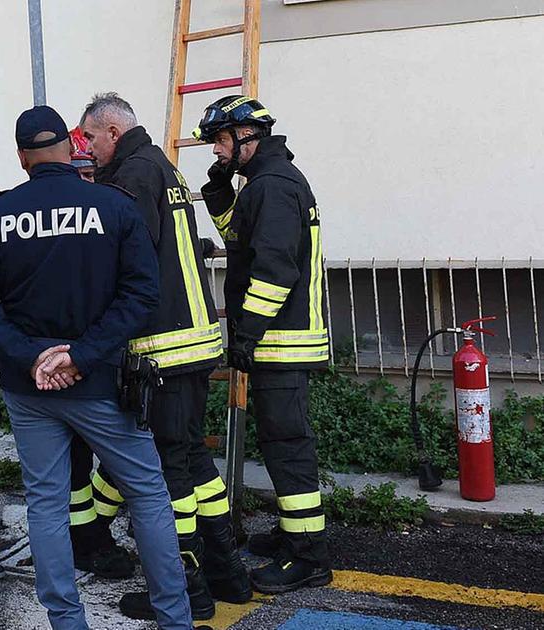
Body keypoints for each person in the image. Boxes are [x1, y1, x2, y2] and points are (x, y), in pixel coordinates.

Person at [0, 104, 193, 630]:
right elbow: (141, 294)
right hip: (100, 383)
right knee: (149, 493)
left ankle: (67, 622)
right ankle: (174, 620)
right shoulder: (111, 206)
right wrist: (81, 356)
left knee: (46, 503)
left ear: (22, 158)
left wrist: (33, 357)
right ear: (72, 148)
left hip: (29, 384)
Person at [80, 92, 250, 621]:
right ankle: (227, 574)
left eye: (90, 138)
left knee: (169, 471)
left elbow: (121, 257)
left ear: (112, 131)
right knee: (195, 457)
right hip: (195, 340)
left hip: (162, 350)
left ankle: (184, 591)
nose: (87, 148)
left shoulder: (132, 176)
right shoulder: (161, 165)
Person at [194, 95, 331, 594]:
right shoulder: (264, 181)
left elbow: (274, 271)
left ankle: (308, 557)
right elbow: (242, 239)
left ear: (247, 137)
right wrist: (219, 196)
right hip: (278, 339)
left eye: (221, 141)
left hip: (281, 340)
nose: (217, 151)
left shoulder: (273, 186)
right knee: (281, 444)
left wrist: (245, 333)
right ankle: (295, 532)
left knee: (288, 446)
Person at [62, 126, 137, 582]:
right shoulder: (69, 219)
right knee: (73, 461)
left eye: (92, 173)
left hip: (101, 355)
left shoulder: (109, 212)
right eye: (80, 173)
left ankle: (91, 531)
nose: (87, 182)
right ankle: (84, 541)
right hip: (70, 363)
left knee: (102, 451)